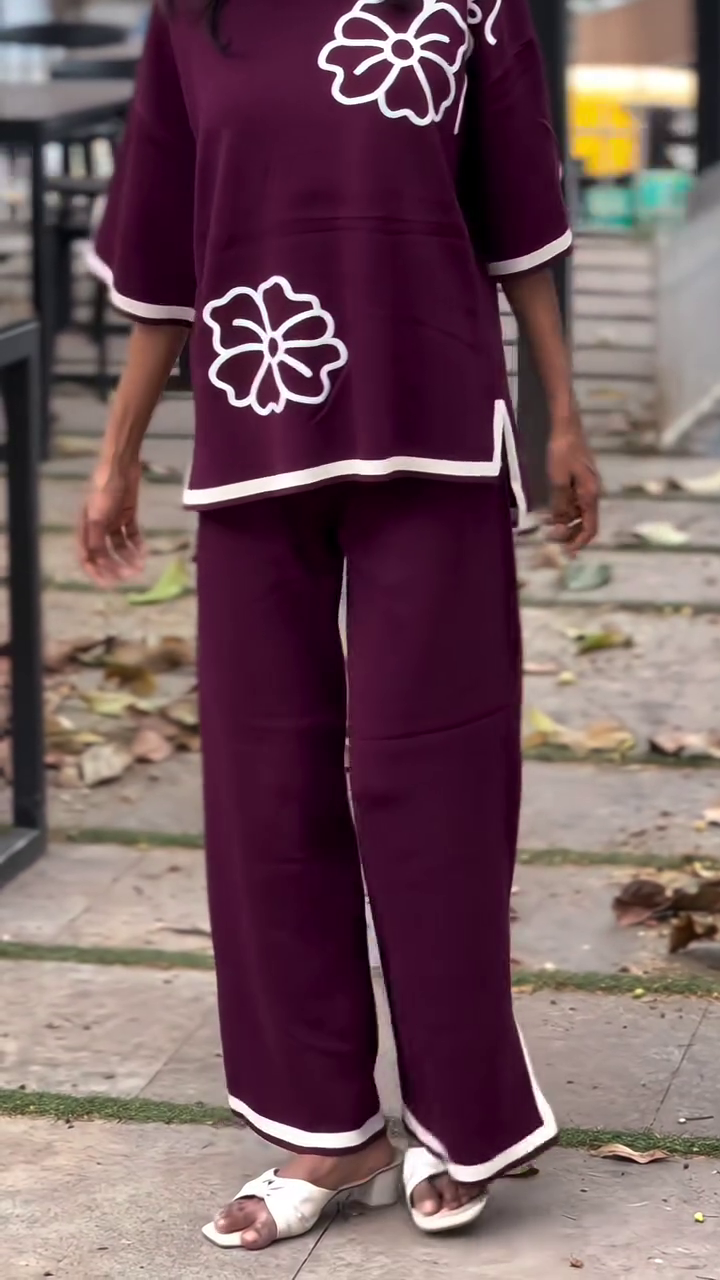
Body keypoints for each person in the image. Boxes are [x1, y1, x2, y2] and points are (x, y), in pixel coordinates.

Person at [79, 0, 599, 1253]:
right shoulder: (193, 17)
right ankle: (325, 1127)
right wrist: (118, 450)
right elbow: (163, 252)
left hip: (434, 425)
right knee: (265, 792)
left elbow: (522, 228)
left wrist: (564, 416)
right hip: (254, 430)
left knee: (437, 779)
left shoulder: (472, 8)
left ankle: (462, 1115)